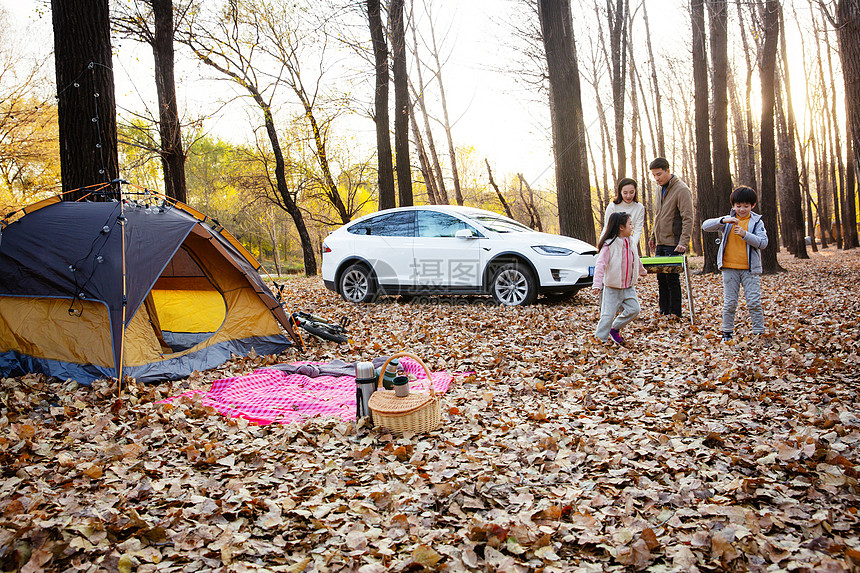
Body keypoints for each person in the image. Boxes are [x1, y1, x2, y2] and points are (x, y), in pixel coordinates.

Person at [701, 185, 769, 341]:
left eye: (746, 206)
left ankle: (759, 331)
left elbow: (763, 243)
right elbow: (705, 226)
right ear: (733, 206)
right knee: (730, 303)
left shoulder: (757, 222)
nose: (742, 209)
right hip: (729, 268)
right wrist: (723, 220)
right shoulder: (728, 221)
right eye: (738, 206)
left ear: (753, 205)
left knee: (753, 302)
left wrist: (746, 235)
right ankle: (727, 332)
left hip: (749, 269)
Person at [648, 157, 694, 319]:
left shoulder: (681, 189)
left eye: (659, 174)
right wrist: (653, 235)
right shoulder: (659, 190)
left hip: (674, 243)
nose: (657, 178)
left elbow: (688, 218)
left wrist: (683, 242)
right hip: (660, 242)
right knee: (661, 278)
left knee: (672, 278)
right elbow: (658, 215)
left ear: (668, 170)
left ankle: (675, 313)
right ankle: (664, 310)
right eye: (654, 175)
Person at [592, 212, 648, 345]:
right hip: (612, 288)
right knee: (607, 315)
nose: (632, 227)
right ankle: (600, 340)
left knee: (634, 309)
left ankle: (614, 328)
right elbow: (600, 265)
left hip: (629, 286)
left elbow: (636, 258)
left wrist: (641, 270)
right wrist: (597, 284)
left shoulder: (631, 241)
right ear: (621, 227)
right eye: (630, 224)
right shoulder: (609, 245)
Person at [602, 177, 646, 251]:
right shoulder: (612, 206)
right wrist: (603, 246)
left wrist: (632, 247)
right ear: (620, 192)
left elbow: (637, 230)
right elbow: (607, 227)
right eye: (625, 193)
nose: (628, 196)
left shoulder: (639, 207)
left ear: (635, 191)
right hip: (612, 243)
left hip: (629, 243)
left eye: (631, 192)